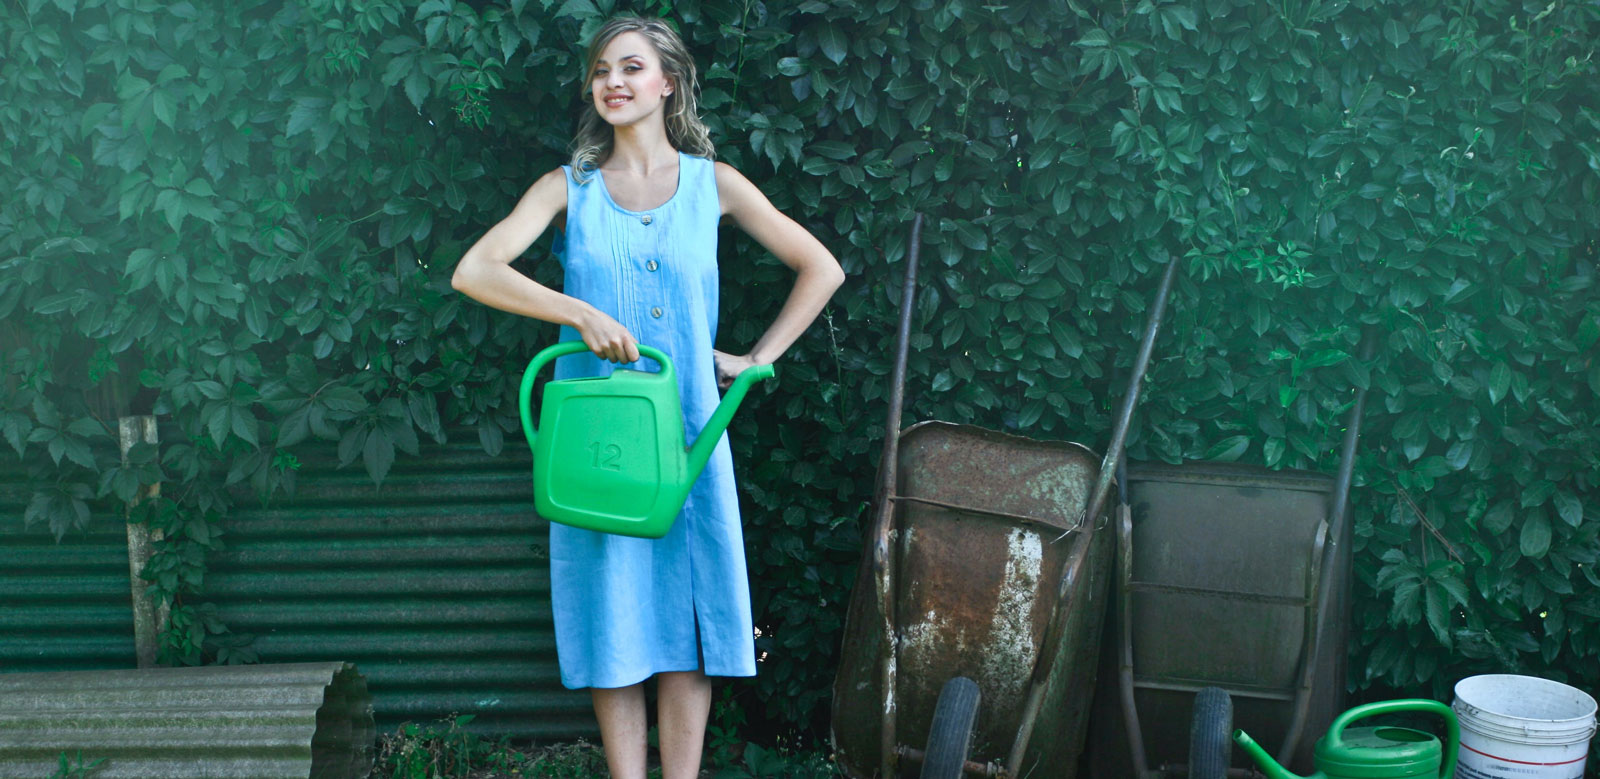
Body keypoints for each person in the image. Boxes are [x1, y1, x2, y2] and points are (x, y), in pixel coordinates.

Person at [450, 15, 844, 779]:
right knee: (612, 621)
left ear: (670, 81)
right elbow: (476, 270)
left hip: (688, 440)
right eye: (601, 71)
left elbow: (819, 267)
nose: (613, 83)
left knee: (687, 623)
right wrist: (579, 312)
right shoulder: (569, 189)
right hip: (597, 443)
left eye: (630, 67)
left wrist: (755, 358)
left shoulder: (714, 185)